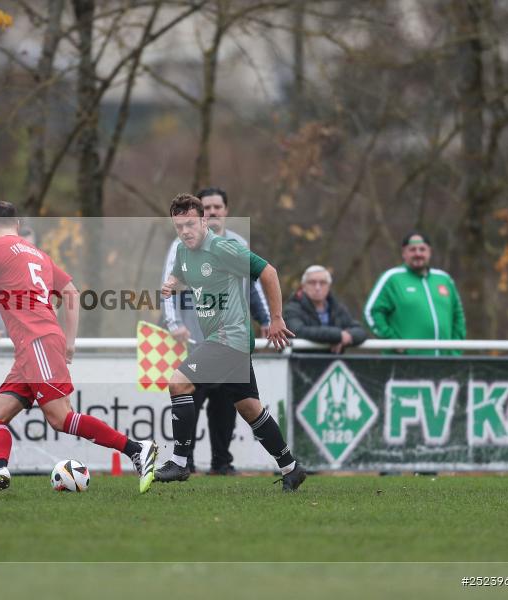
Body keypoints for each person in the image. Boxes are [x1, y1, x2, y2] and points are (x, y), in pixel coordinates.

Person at [0, 201, 158, 498]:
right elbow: (71, 293)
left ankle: (136, 449)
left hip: (36, 342)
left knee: (60, 418)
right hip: (35, 346)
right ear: (17, 224)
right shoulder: (38, 254)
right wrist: (69, 341)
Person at [157, 193, 307, 491]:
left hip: (230, 337)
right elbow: (179, 272)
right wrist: (171, 284)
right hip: (222, 339)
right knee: (250, 407)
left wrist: (275, 318)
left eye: (190, 224)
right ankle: (291, 467)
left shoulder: (224, 247)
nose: (185, 231)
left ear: (203, 221)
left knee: (178, 383)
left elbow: (268, 272)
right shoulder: (184, 251)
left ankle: (179, 462)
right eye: (178, 226)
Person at [160, 186, 270, 475]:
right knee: (190, 396)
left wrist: (268, 320)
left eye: (216, 207)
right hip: (195, 340)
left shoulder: (235, 242)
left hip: (230, 339)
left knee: (231, 406)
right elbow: (168, 286)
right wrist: (175, 325)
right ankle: (187, 462)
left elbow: (253, 287)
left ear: (225, 211)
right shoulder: (182, 244)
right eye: (206, 207)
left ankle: (222, 462)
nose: (211, 211)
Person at [364, 231, 466, 356]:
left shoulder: (444, 279)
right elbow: (372, 312)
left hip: (444, 363)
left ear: (430, 252)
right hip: (404, 364)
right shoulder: (392, 278)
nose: (418, 253)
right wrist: (391, 341)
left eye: (422, 249)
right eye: (412, 250)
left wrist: (455, 351)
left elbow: (458, 316)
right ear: (404, 253)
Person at [284, 265, 366, 353]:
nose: (317, 287)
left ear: (329, 286)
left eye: (322, 283)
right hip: (301, 364)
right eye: (312, 282)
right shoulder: (292, 308)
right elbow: (298, 331)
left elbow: (360, 331)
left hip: (333, 364)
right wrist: (338, 336)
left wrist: (348, 337)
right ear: (303, 286)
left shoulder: (338, 308)